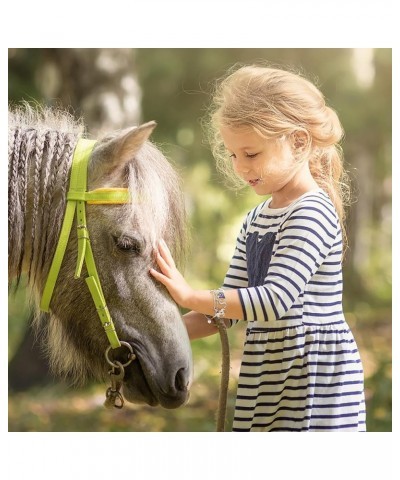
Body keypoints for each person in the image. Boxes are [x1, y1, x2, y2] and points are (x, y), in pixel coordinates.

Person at [150, 63, 366, 432]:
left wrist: (189, 295)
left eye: (251, 154)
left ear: (299, 142)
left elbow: (271, 301)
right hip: (269, 377)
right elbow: (226, 312)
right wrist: (155, 333)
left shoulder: (311, 210)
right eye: (233, 155)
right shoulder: (256, 218)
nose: (239, 166)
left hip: (311, 379)